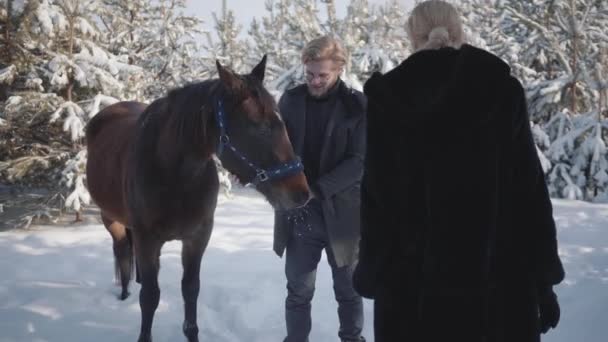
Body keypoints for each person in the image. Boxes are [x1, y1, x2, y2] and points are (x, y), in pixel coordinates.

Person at [352, 1, 565, 342]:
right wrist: (543, 282)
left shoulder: (389, 99)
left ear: (412, 35)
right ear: (458, 31)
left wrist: (373, 271)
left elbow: (378, 197)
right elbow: (528, 192)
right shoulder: (500, 89)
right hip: (497, 290)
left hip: (414, 295)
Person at [273, 35, 366, 342]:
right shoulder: (290, 100)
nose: (314, 81)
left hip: (344, 217)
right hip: (301, 215)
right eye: (310, 73)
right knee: (298, 292)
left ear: (339, 69)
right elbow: (274, 148)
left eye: (322, 75)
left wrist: (318, 188)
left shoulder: (357, 105)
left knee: (349, 292)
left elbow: (359, 161)